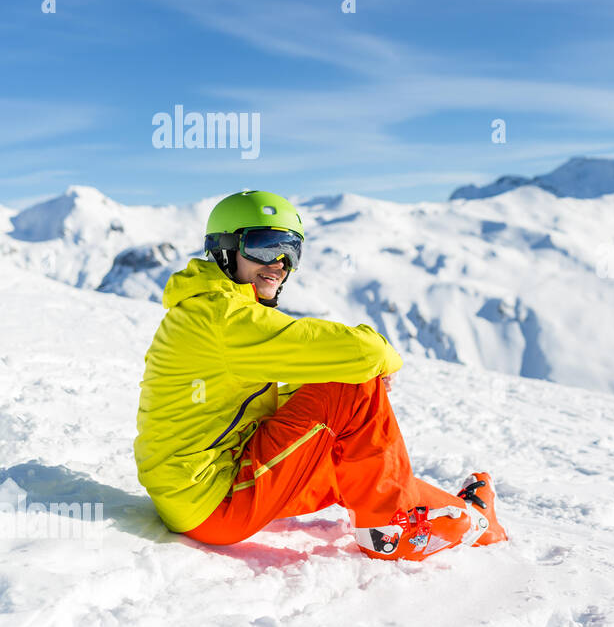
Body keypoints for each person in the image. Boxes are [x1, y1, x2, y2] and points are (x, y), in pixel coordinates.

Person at [132, 189, 507, 561]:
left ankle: (474, 520)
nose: (279, 262)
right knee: (351, 388)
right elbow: (367, 351)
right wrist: (371, 370)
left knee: (354, 469)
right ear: (225, 248)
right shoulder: (226, 318)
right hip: (214, 504)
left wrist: (350, 376)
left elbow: (298, 380)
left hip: (197, 494)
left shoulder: (213, 309)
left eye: (291, 249)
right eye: (265, 245)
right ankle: (391, 530)